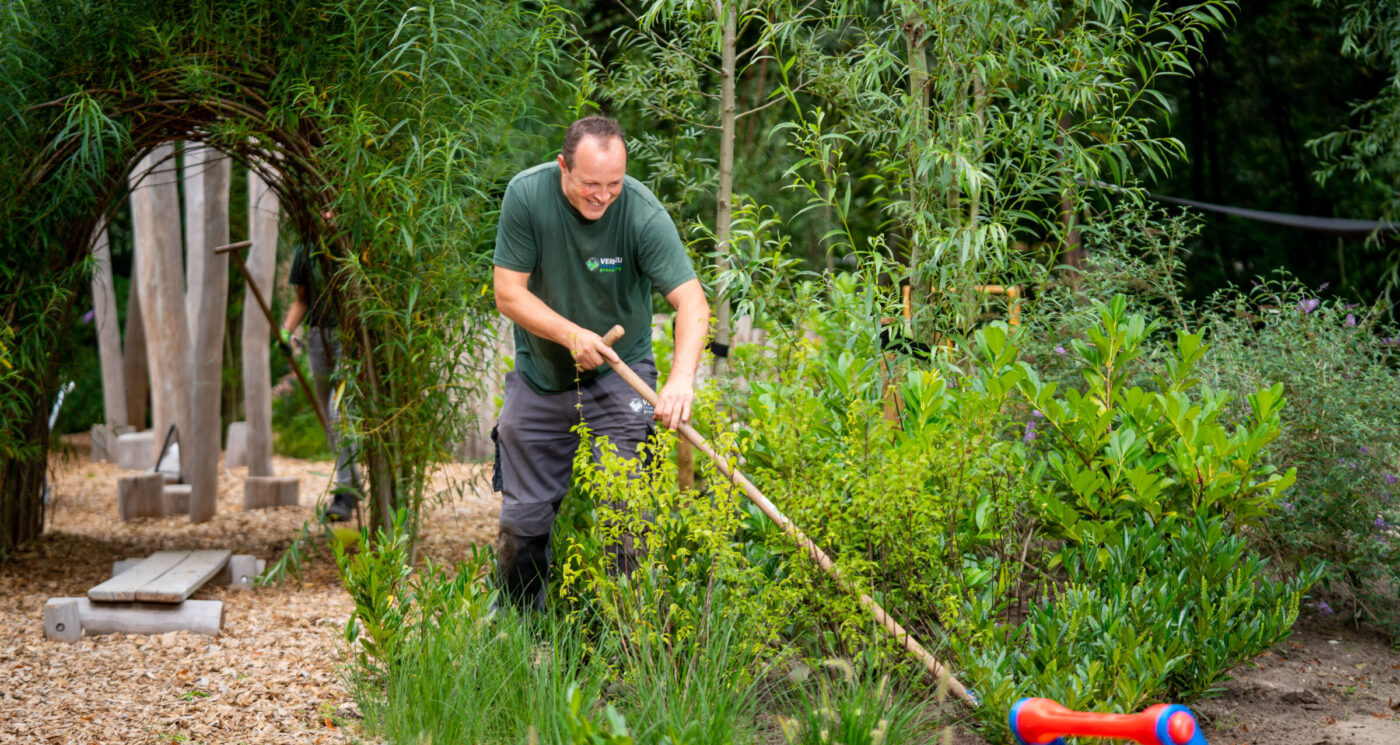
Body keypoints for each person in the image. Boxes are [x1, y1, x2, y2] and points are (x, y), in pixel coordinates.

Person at [491, 114, 710, 611]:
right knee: (522, 522)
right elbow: (508, 294)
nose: (602, 196)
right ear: (563, 166)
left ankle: (630, 643)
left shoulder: (641, 213)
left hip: (619, 378)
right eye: (590, 183)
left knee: (627, 514)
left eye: (613, 184)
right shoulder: (527, 197)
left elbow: (693, 305)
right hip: (542, 380)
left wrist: (680, 382)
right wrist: (571, 335)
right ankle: (518, 631)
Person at [279, 230, 360, 522]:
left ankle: (344, 492)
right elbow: (302, 299)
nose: (327, 215)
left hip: (350, 336)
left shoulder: (354, 239)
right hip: (317, 336)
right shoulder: (307, 247)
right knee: (331, 420)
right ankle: (353, 477)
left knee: (339, 413)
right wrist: (286, 331)